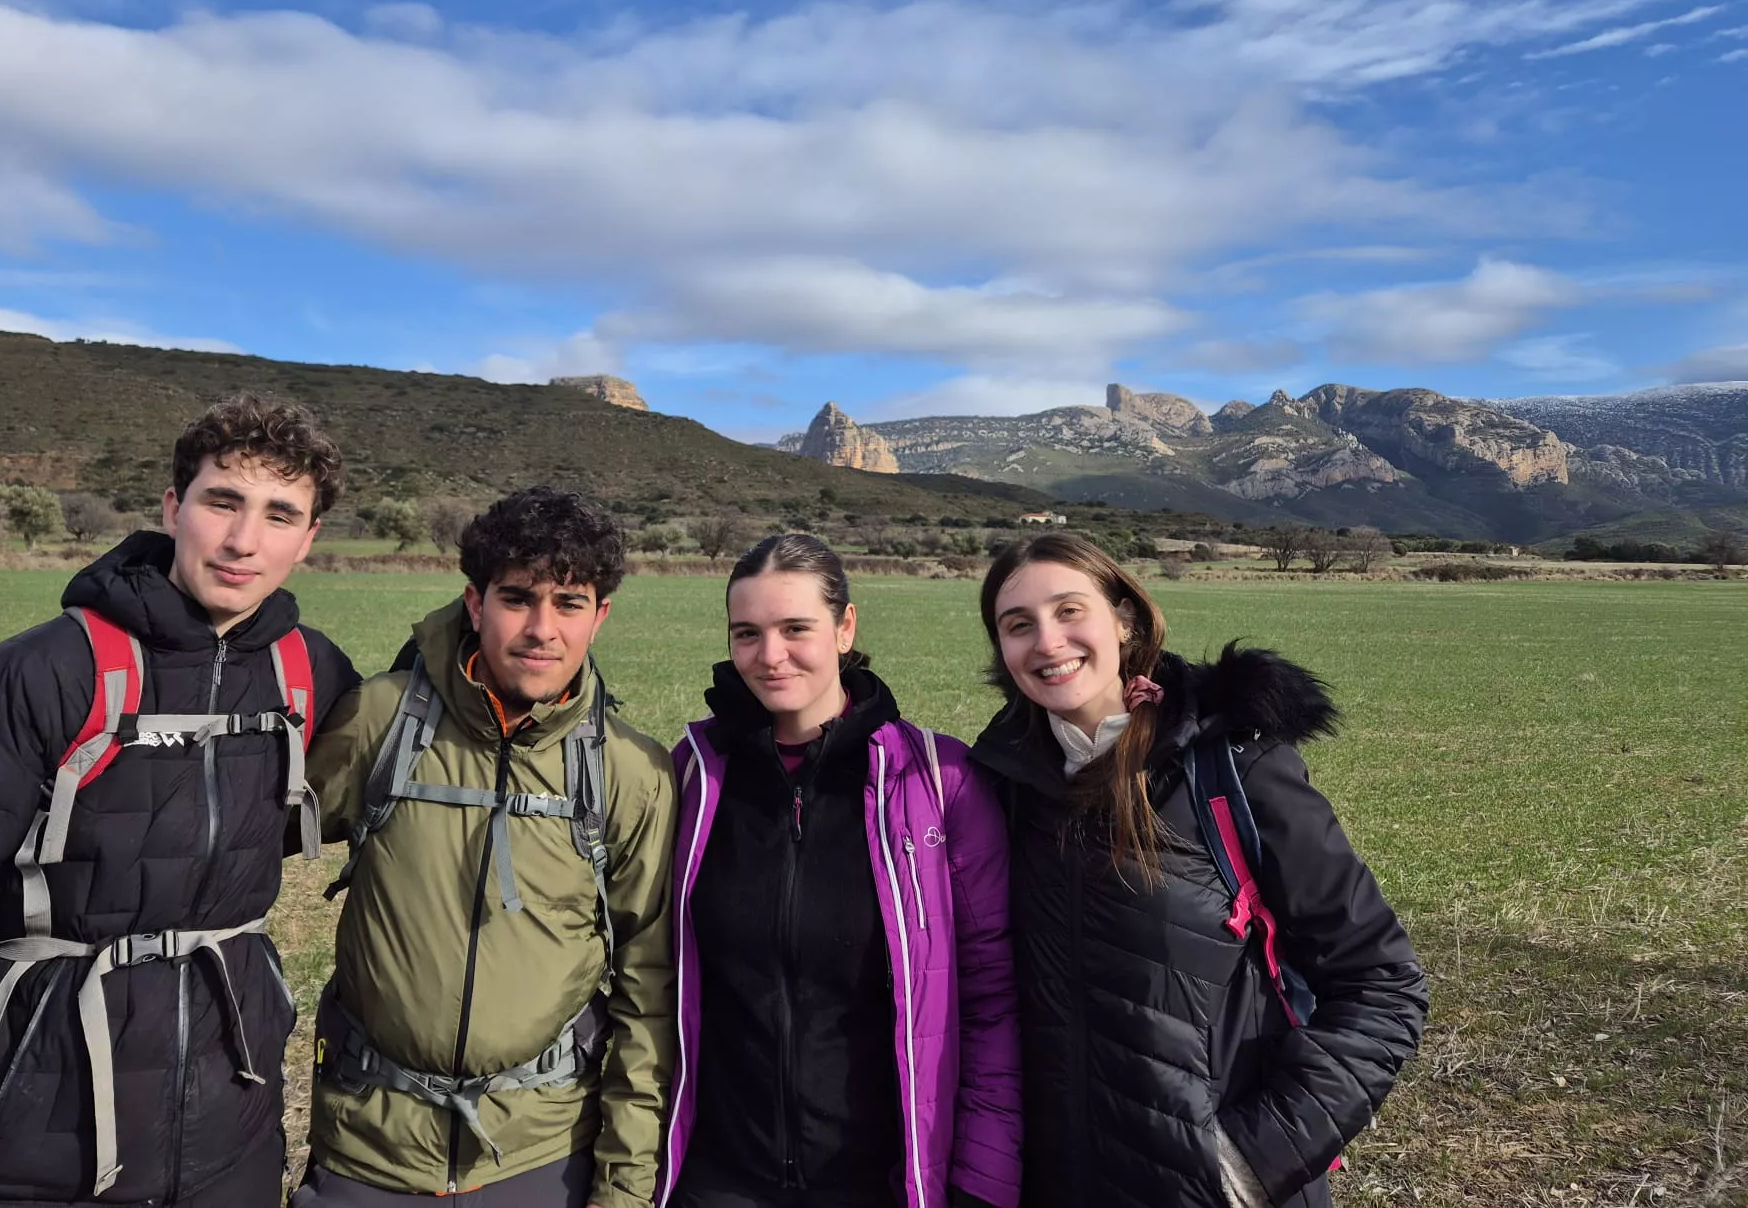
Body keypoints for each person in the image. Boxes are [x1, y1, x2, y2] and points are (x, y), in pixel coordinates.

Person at [0, 395, 362, 1208]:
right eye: (223, 502)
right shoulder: (42, 673)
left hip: (234, 1134)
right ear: (174, 506)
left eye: (280, 514)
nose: (245, 541)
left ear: (309, 538)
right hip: (34, 1138)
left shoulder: (309, 676)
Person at [968, 533, 1427, 1208]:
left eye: (1070, 611)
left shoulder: (1231, 768)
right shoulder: (1000, 789)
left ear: (1123, 619)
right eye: (1018, 626)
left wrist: (1248, 1162)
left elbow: (1384, 985)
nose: (1047, 641)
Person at [297, 486, 677, 1208]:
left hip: (541, 1153)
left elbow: (647, 996)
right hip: (367, 1148)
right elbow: (233, 848)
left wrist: (624, 1190)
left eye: (568, 603)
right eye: (517, 598)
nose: (541, 628)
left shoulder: (631, 773)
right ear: (475, 605)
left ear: (600, 617)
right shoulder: (382, 722)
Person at [662, 533, 1021, 1208]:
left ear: (845, 626)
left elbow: (992, 998)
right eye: (747, 633)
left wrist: (981, 1183)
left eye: (796, 628)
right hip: (717, 1180)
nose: (770, 657)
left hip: (880, 1181)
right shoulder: (690, 777)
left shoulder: (935, 781)